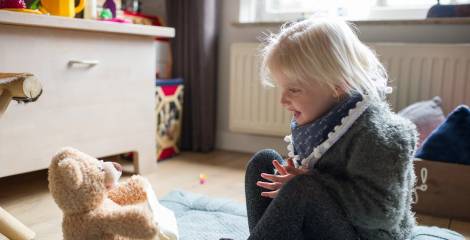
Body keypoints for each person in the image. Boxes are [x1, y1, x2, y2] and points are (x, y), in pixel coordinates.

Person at [245, 17, 418, 240]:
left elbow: (382, 213)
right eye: (282, 88)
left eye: (294, 90)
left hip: (366, 235)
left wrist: (309, 182)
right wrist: (302, 181)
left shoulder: (378, 135)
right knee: (263, 161)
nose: (282, 101)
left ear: (336, 86)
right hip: (326, 223)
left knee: (302, 187)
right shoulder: (327, 117)